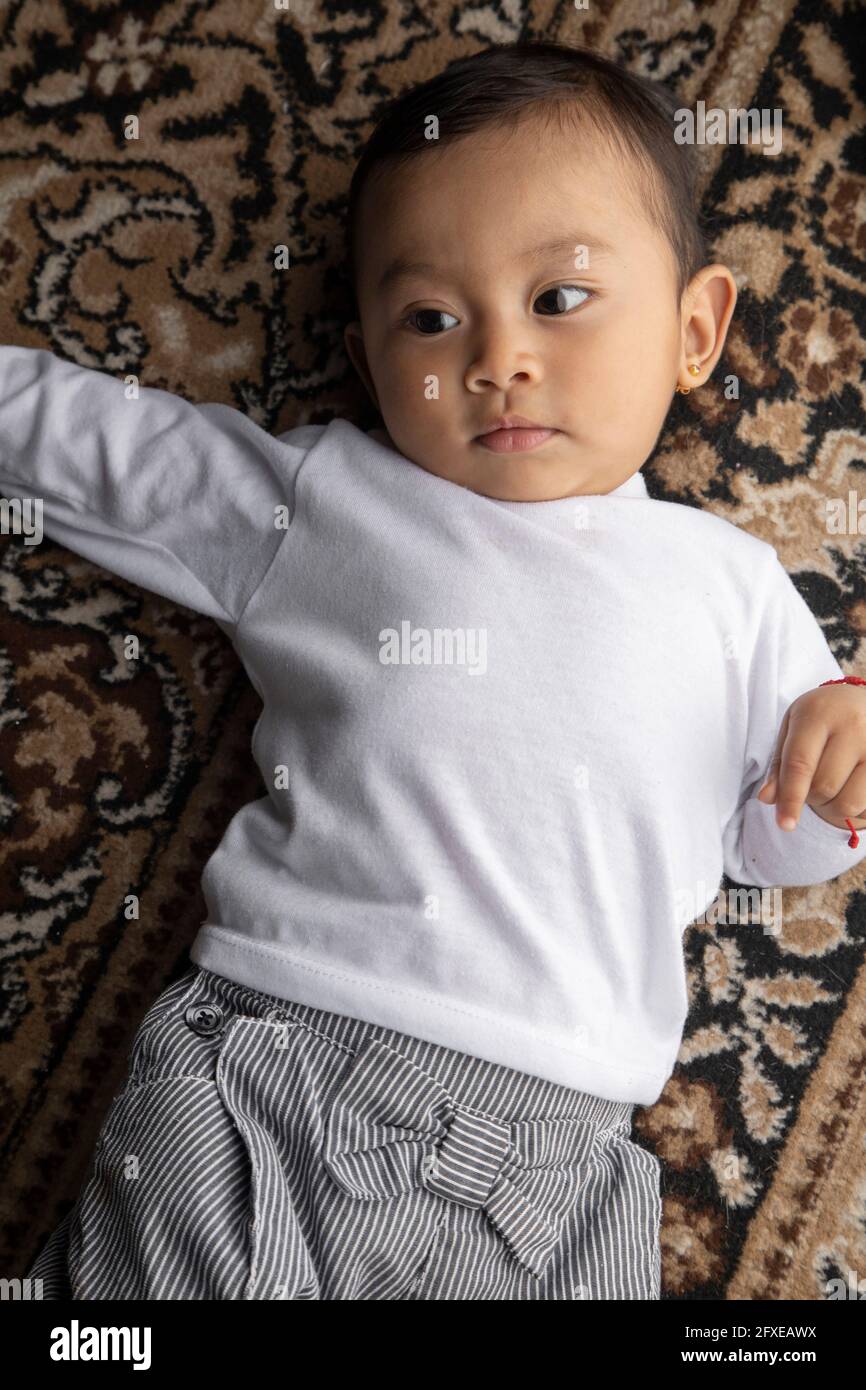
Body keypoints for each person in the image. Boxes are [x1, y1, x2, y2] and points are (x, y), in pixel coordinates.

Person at [7, 41, 865, 1300]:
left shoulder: (731, 584)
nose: (495, 356)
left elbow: (770, 841)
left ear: (694, 329)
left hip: (554, 1165)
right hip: (275, 1068)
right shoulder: (332, 499)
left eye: (558, 300)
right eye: (429, 318)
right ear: (366, 359)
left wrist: (838, 773)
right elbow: (105, 454)